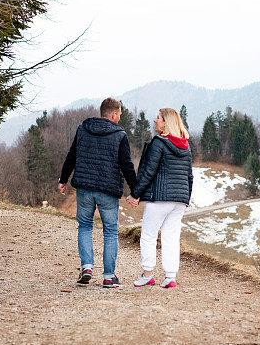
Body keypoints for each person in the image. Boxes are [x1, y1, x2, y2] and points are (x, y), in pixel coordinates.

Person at [58, 98, 138, 288]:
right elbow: (126, 165)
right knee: (110, 231)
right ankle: (109, 277)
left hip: (85, 188)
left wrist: (63, 180)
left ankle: (86, 267)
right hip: (108, 191)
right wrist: (135, 190)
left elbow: (72, 155)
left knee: (85, 226)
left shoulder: (83, 129)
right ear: (112, 114)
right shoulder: (120, 135)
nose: (120, 117)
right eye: (119, 114)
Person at [129, 108, 193, 288]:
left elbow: (149, 172)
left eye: (158, 118)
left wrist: (135, 194)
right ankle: (170, 277)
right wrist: (186, 198)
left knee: (148, 235)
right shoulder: (186, 146)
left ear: (166, 122)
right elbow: (189, 176)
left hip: (160, 198)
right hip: (179, 199)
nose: (155, 120)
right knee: (171, 237)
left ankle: (148, 274)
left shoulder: (159, 143)